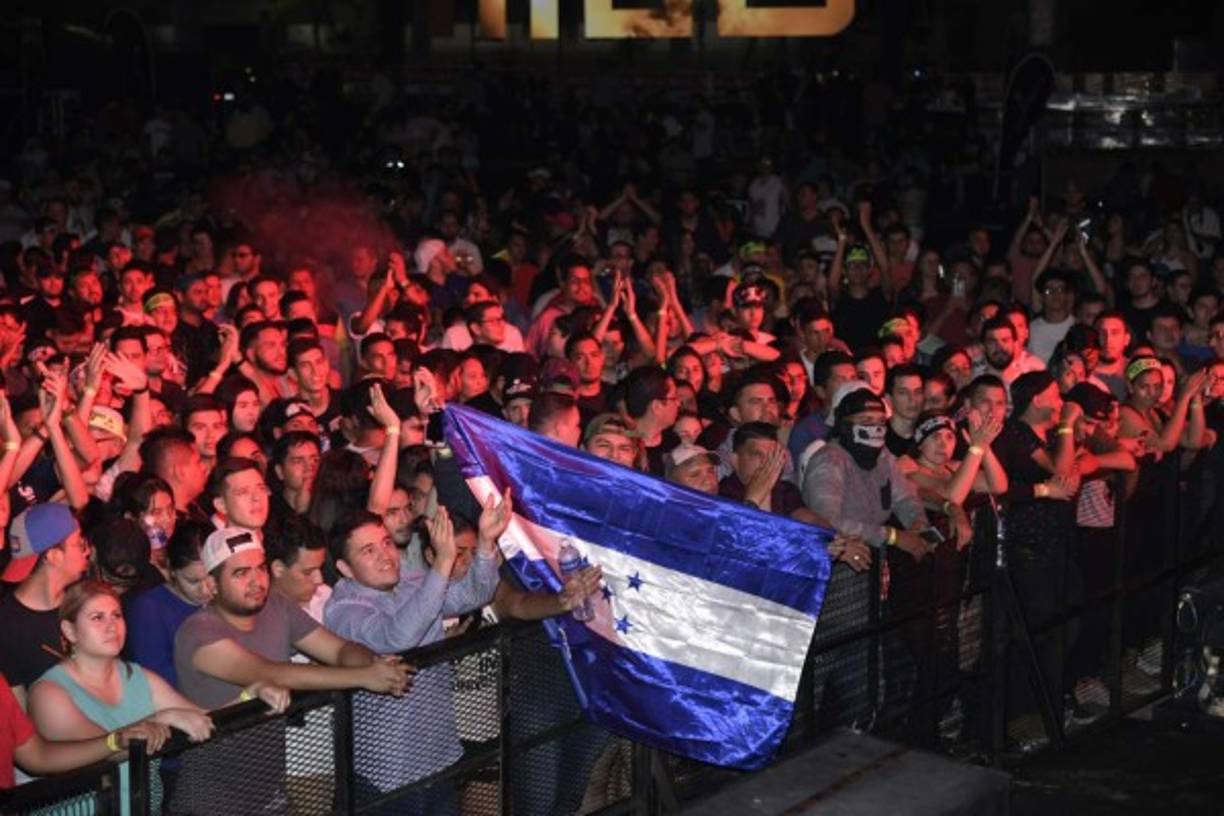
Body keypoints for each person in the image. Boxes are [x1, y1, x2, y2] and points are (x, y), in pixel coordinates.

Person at [171, 527, 413, 814]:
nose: (256, 581)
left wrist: (377, 663)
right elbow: (269, 673)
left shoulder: (277, 606)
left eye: (260, 568)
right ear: (212, 584)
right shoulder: (197, 631)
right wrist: (365, 677)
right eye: (241, 573)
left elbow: (338, 650)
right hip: (210, 802)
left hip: (268, 793)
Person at [324, 499, 506, 814]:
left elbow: (475, 595)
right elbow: (398, 637)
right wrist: (442, 564)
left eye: (386, 543)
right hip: (386, 775)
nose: (385, 556)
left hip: (438, 755)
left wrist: (487, 543)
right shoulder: (343, 610)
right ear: (345, 568)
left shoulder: (410, 582)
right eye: (368, 551)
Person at [29, 581, 221, 815]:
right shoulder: (49, 692)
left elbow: (211, 720)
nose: (112, 626)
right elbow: (106, 753)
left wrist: (251, 694)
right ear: (70, 631)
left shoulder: (139, 677)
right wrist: (163, 718)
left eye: (116, 615)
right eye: (97, 618)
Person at [801, 382, 929, 725]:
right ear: (845, 425)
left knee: (870, 680)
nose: (875, 428)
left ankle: (860, 739)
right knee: (818, 679)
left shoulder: (883, 457)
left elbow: (906, 497)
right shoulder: (830, 460)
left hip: (870, 587)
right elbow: (827, 520)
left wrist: (917, 524)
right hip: (835, 589)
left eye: (880, 421)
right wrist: (892, 536)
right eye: (866, 421)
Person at [0, 504, 92, 707]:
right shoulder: (7, 629)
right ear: (54, 556)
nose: (87, 551)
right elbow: (21, 715)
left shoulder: (85, 596)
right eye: (79, 543)